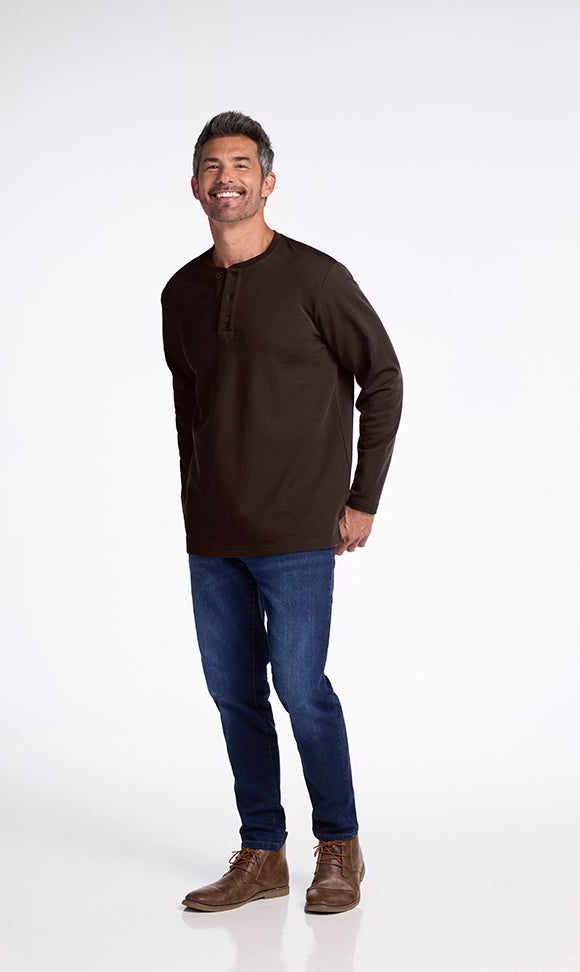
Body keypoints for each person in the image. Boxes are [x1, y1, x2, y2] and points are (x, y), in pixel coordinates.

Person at [162, 111, 403, 914]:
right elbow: (187, 403)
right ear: (195, 184)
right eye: (210, 165)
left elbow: (384, 377)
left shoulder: (315, 279)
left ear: (267, 181)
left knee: (301, 689)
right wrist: (194, 492)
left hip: (300, 530)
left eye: (239, 164)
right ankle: (262, 853)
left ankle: (339, 846)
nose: (223, 176)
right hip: (213, 533)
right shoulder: (182, 292)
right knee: (234, 693)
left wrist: (362, 498)